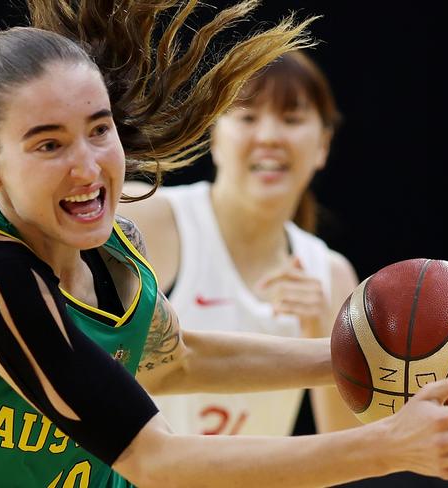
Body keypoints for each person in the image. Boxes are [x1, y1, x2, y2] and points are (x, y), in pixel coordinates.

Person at [0, 1, 448, 487]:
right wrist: (389, 446)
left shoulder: (112, 247)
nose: (86, 166)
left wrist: (368, 357)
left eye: (98, 130)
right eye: (48, 144)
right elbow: (154, 461)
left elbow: (172, 360)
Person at [119, 50, 361, 436]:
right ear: (215, 137)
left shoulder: (331, 275)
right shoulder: (150, 218)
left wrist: (321, 331)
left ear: (323, 145)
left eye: (292, 119)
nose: (268, 137)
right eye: (247, 117)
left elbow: (350, 444)